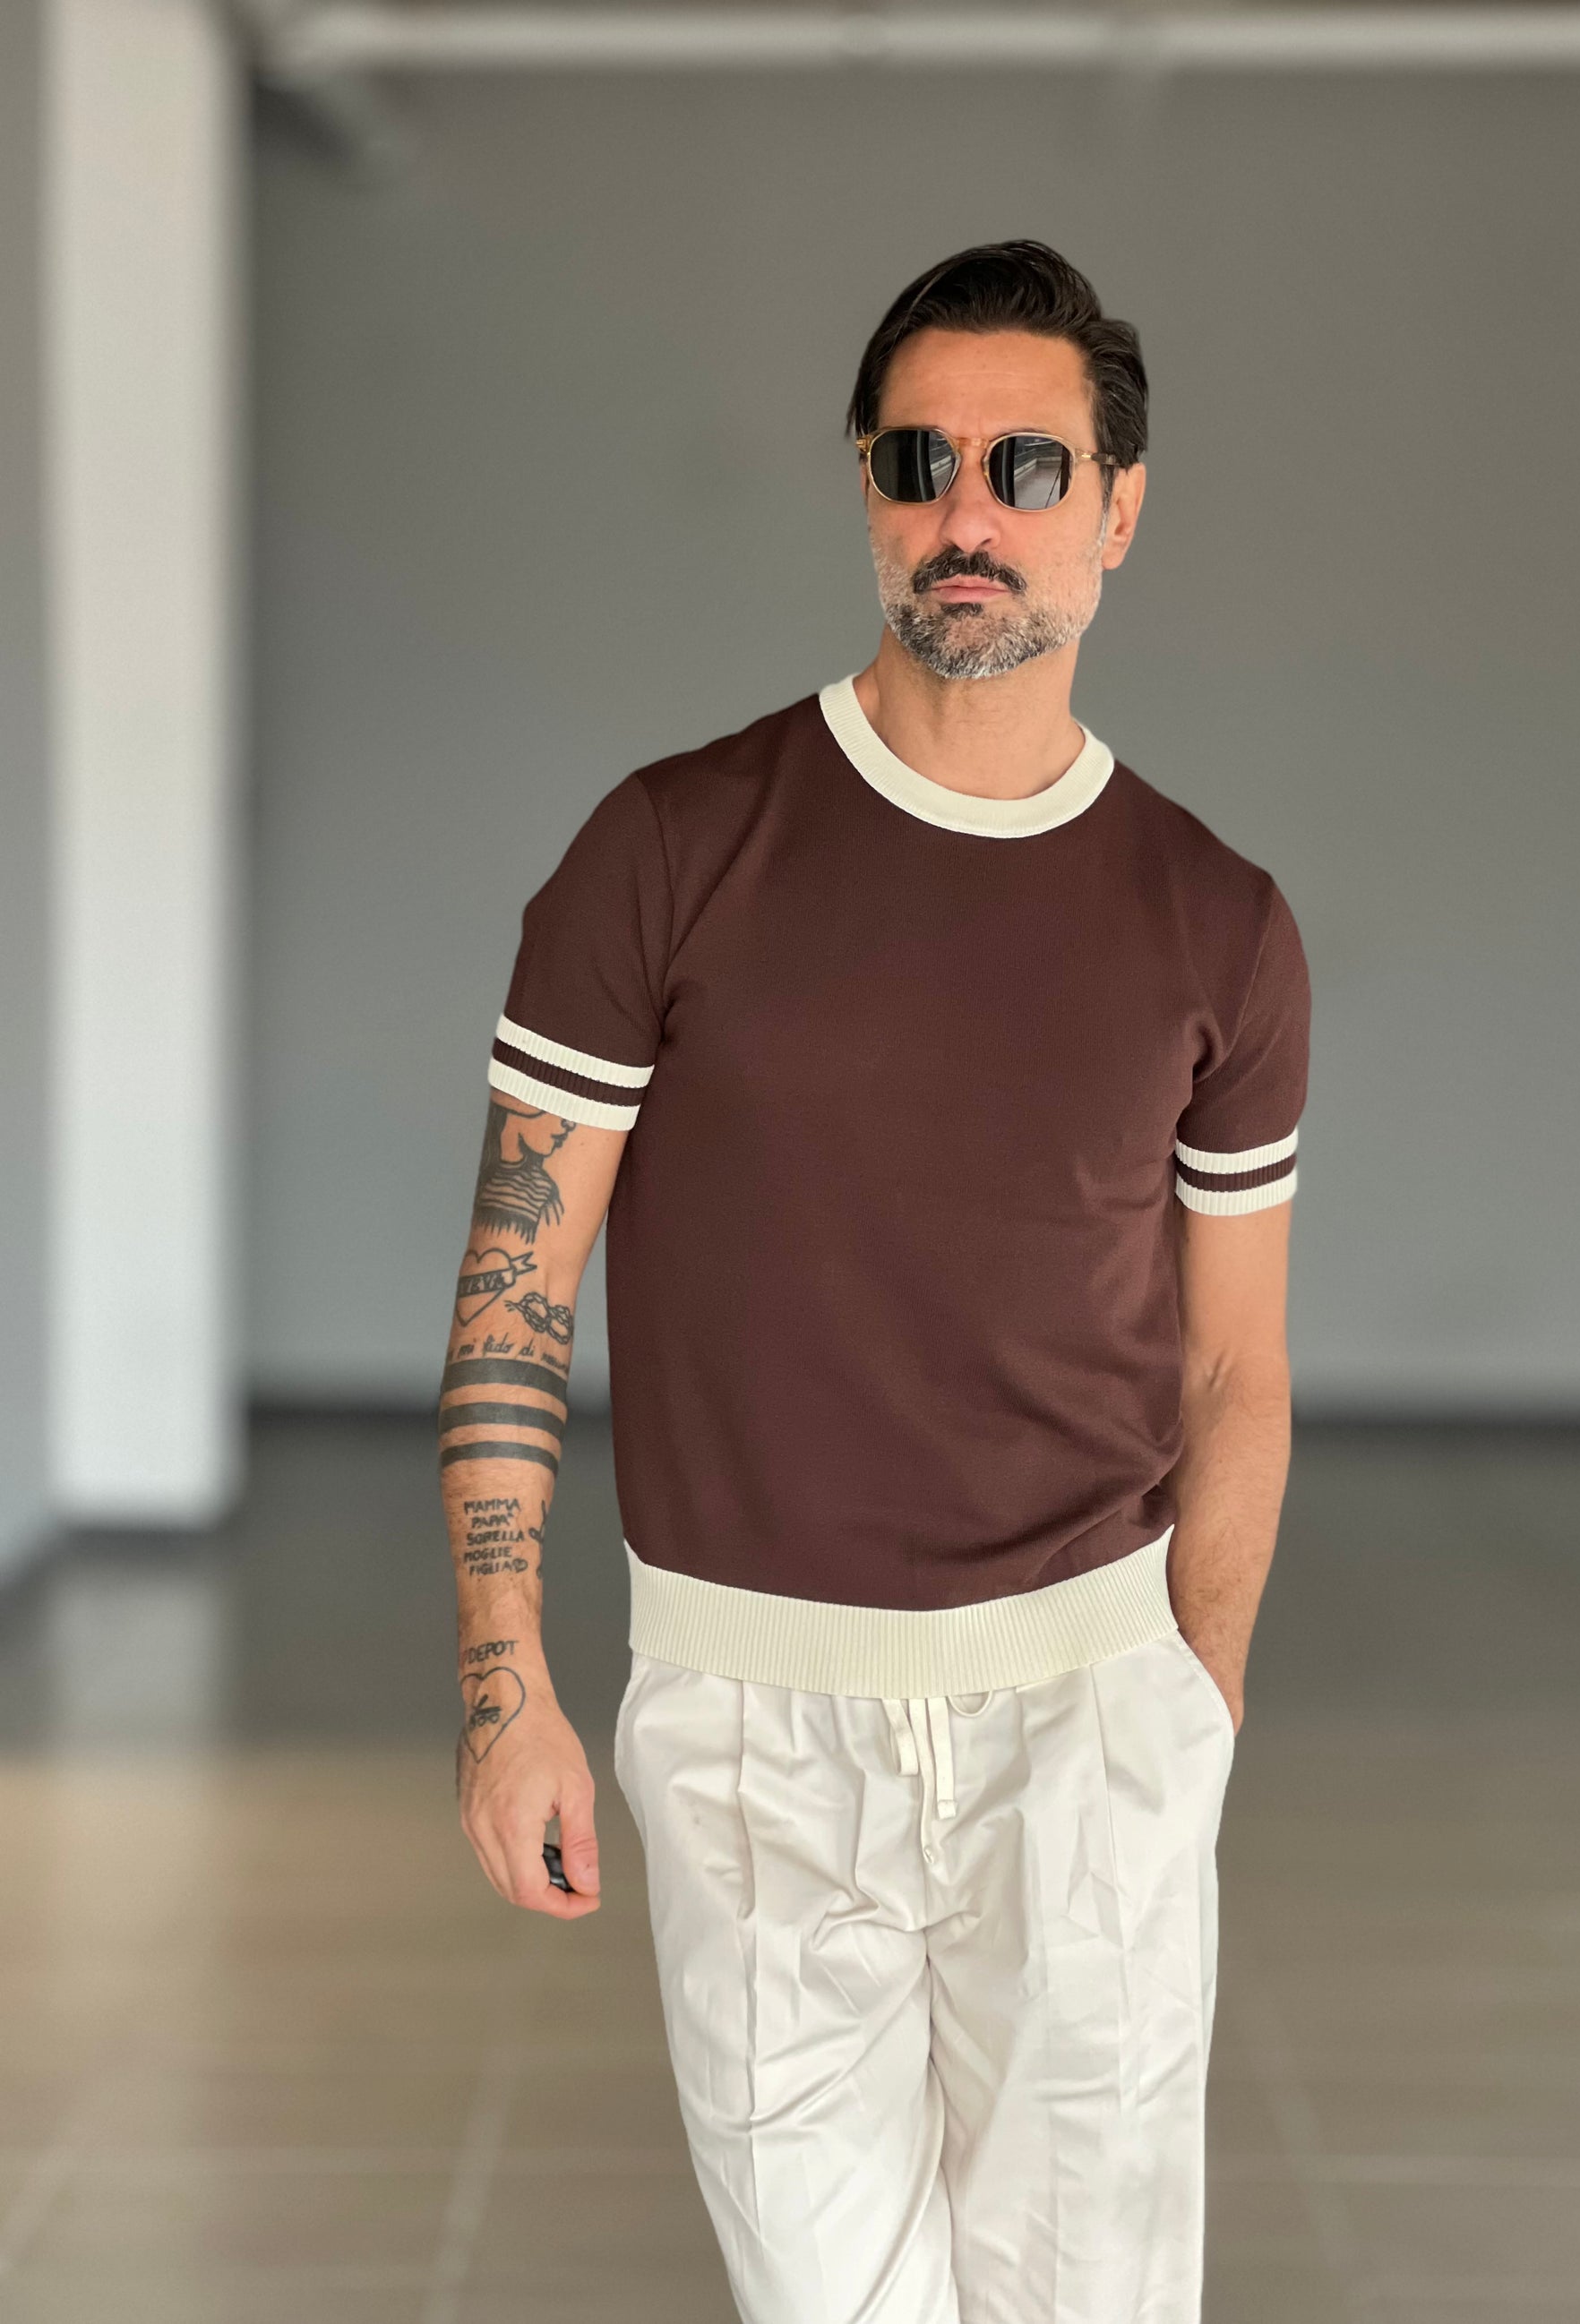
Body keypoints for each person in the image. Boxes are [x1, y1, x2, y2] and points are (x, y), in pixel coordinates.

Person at [438, 238, 1310, 2324]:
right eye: (920, 460)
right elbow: (512, 1287)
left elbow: (1233, 1369)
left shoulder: (1216, 922)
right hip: (750, 1723)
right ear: (864, 487)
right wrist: (506, 1684)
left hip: (1088, 1714)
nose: (968, 510)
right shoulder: (668, 851)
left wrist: (1191, 1705)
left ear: (1117, 506)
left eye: (1028, 464)